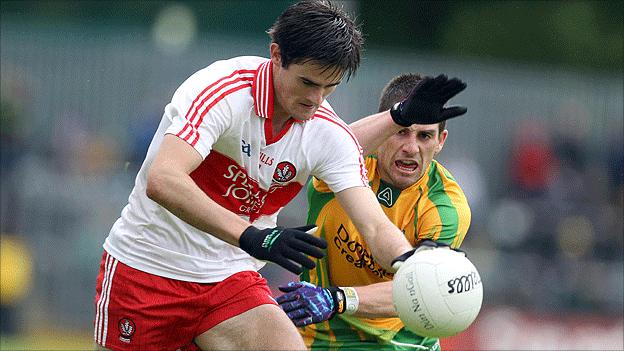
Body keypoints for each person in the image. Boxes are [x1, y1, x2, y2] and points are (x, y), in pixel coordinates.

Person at [93, 0, 467, 349]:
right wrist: (253, 236)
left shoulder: (325, 131)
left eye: (329, 86)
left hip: (230, 276)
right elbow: (164, 179)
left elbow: (373, 226)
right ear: (276, 55)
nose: (316, 99)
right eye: (307, 82)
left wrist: (411, 262)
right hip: (148, 268)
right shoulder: (223, 92)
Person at [276, 73, 472, 351]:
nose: (410, 147)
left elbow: (420, 288)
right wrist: (396, 116)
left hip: (399, 342)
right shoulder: (347, 165)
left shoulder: (446, 207)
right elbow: (323, 147)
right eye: (401, 131)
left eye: (425, 136)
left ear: (441, 141)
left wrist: (337, 299)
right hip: (316, 333)